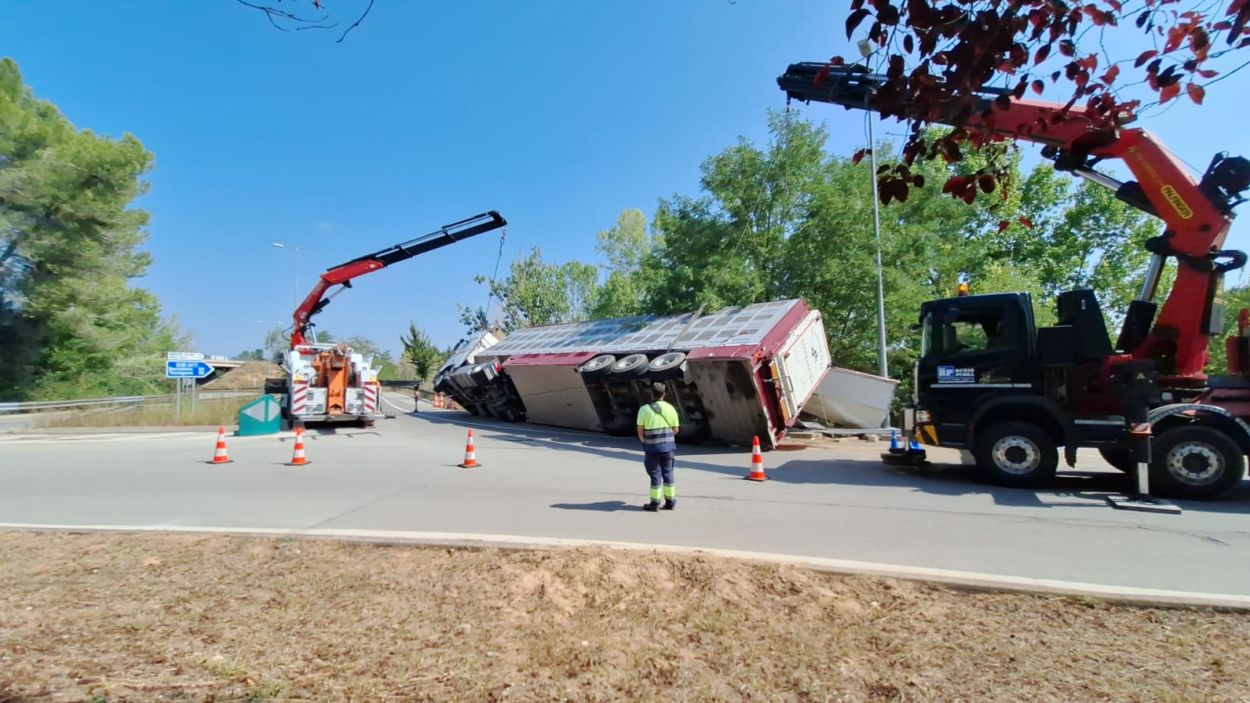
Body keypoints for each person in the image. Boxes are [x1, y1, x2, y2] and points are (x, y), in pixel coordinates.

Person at [636, 381, 680, 512]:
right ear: (664, 394)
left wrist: (645, 441)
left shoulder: (644, 409)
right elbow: (676, 429)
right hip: (668, 448)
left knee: (655, 475)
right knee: (668, 473)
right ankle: (670, 502)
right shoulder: (670, 408)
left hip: (652, 448)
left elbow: (640, 430)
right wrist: (666, 439)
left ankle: (655, 504)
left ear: (652, 394)